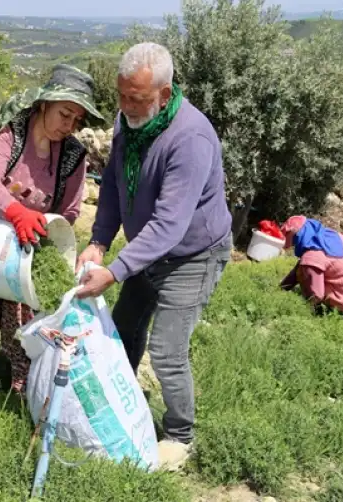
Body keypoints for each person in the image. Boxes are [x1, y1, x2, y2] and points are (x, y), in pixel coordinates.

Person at [74, 42, 233, 470]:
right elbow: (111, 183)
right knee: (122, 329)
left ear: (165, 94)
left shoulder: (190, 138)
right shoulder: (130, 122)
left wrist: (115, 271)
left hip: (193, 255)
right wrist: (100, 240)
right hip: (149, 248)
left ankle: (181, 435)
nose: (126, 106)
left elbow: (170, 224)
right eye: (121, 95)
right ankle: (118, 406)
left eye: (137, 98)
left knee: (166, 348)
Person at [0, 64, 105, 394]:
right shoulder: (11, 133)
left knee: (22, 311)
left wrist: (49, 227)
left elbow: (70, 210)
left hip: (28, 238)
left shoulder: (73, 156)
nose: (69, 125)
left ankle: (19, 384)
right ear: (44, 104)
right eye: (65, 114)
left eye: (77, 119)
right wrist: (16, 212)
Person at [280, 216, 343, 317]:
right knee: (309, 267)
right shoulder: (331, 235)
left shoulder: (311, 255)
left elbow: (316, 295)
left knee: (305, 273)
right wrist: (283, 286)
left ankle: (341, 310)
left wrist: (307, 304)